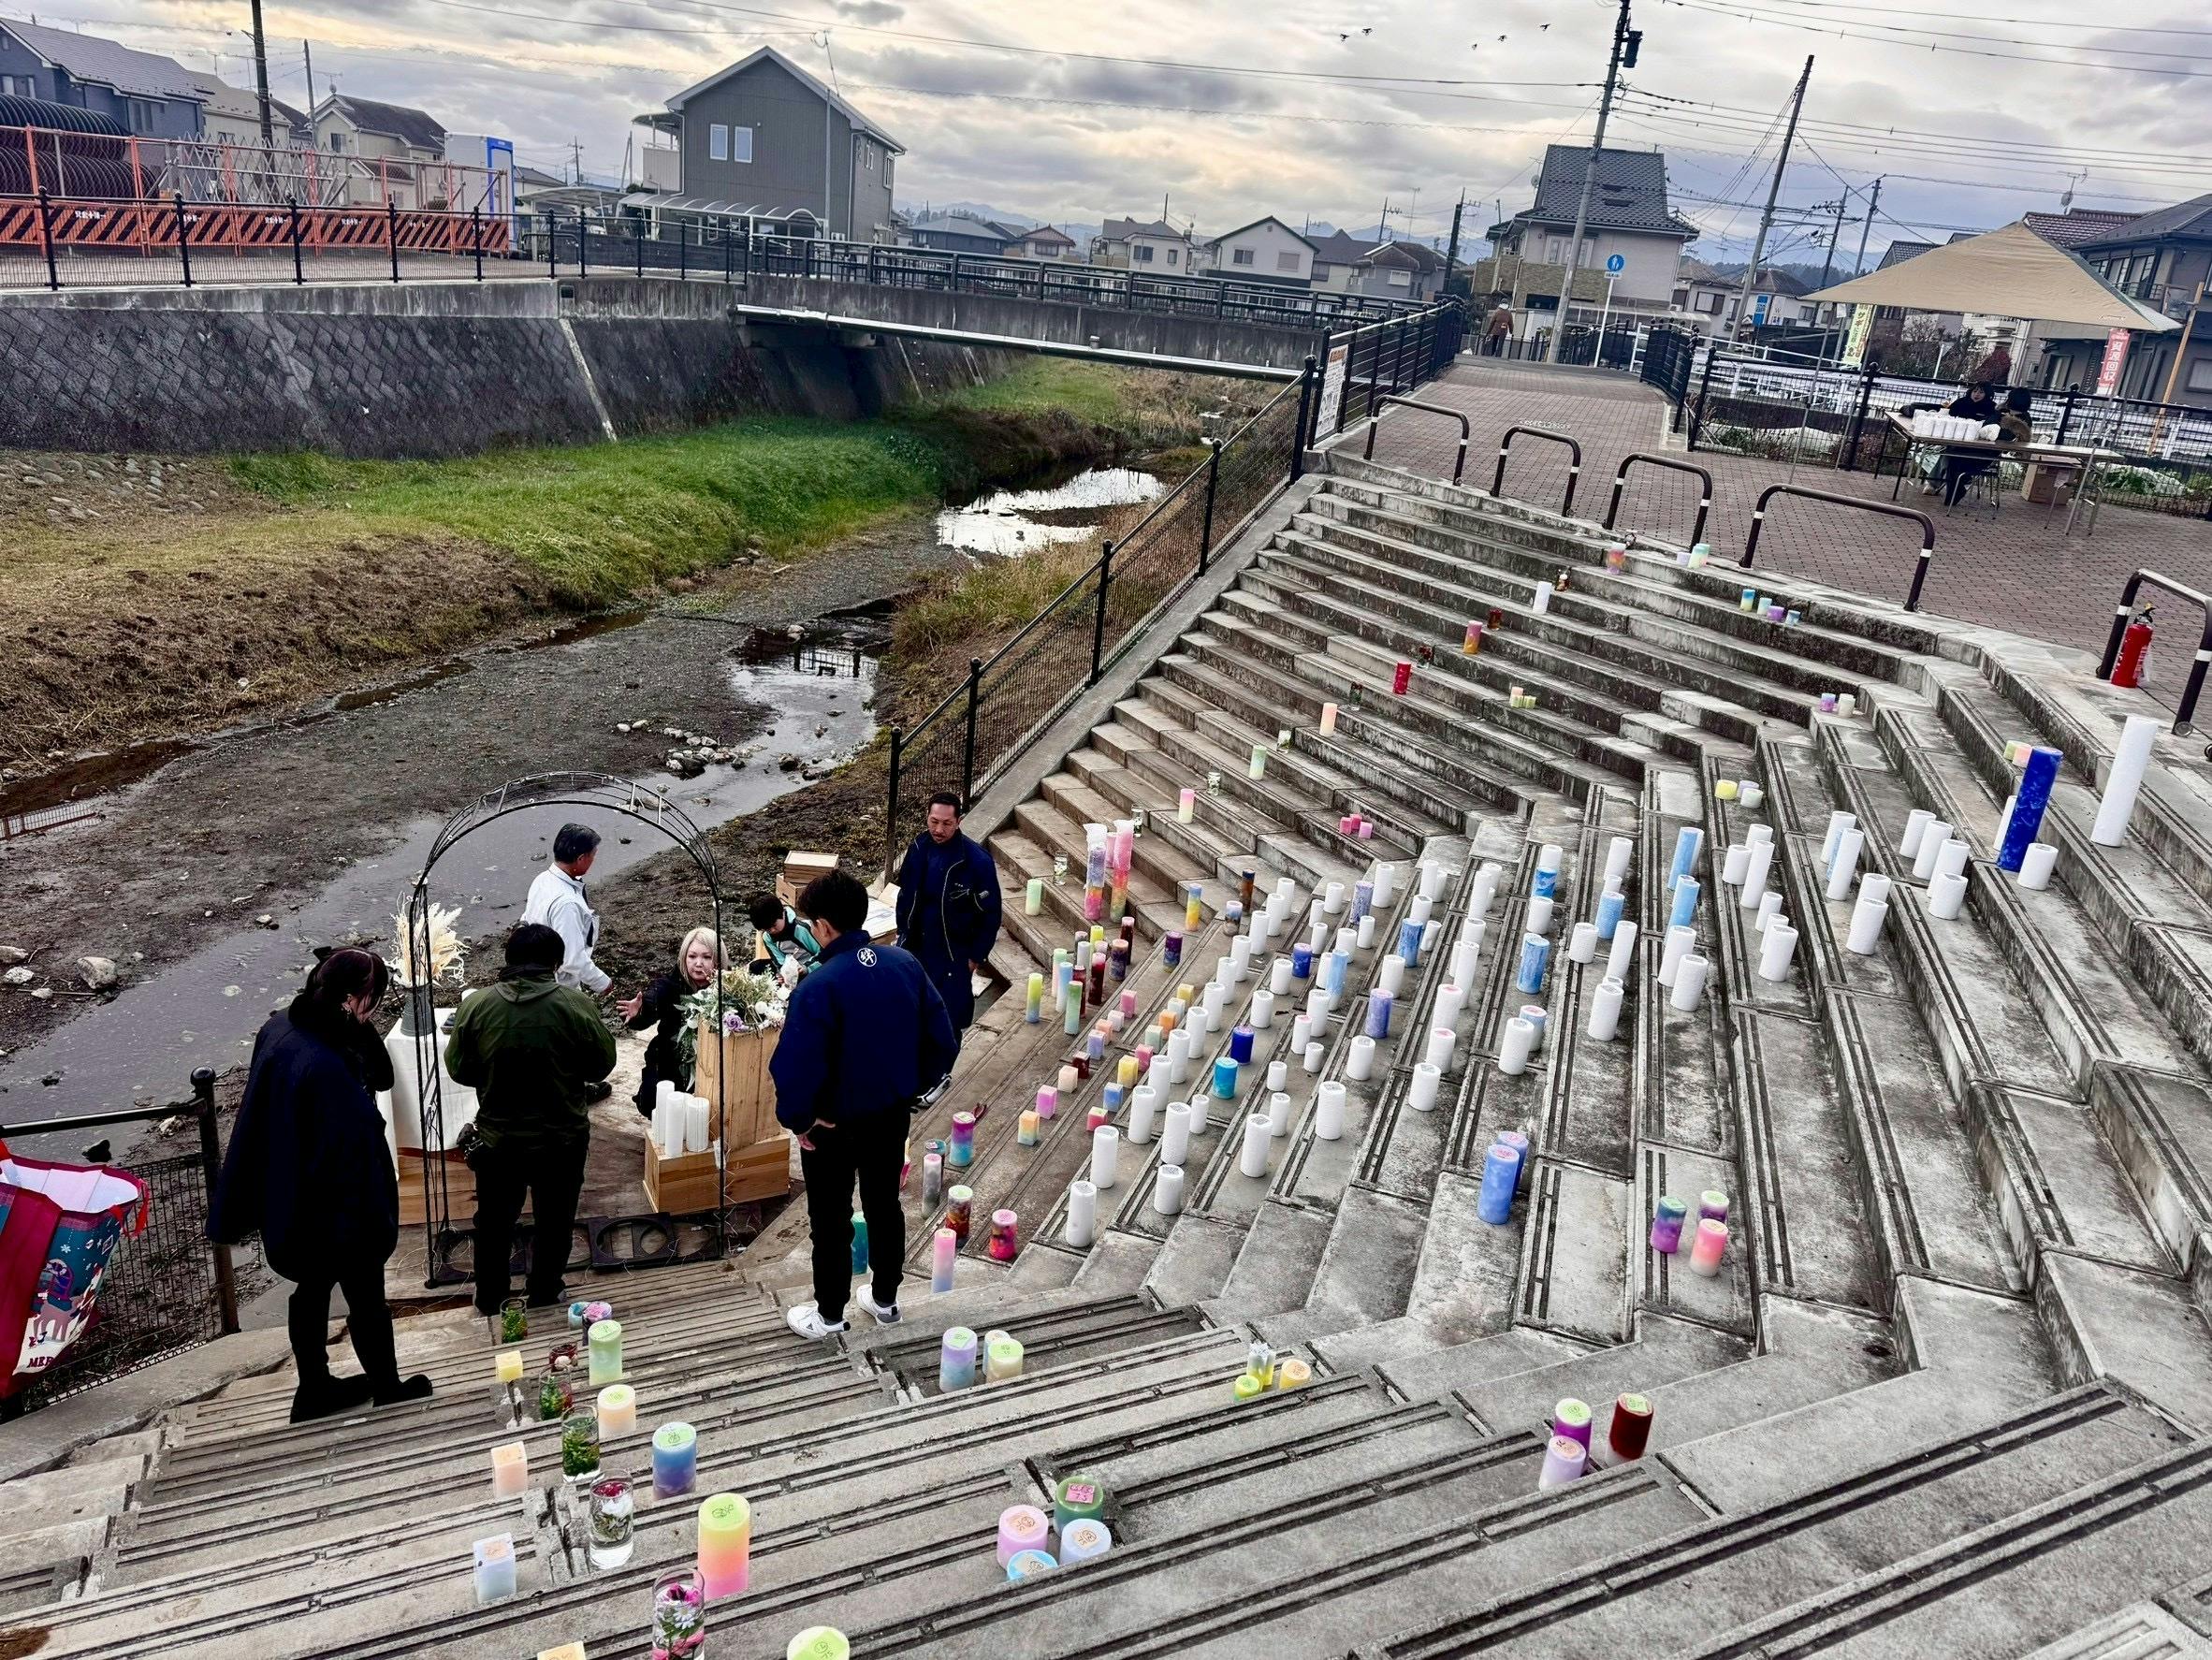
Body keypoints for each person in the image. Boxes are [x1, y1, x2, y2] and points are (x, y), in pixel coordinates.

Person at [211, 948, 433, 1422]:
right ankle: (387, 1388)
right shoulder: (325, 1067)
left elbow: (379, 1076)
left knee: (311, 1290)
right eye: (372, 1001)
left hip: (288, 1193)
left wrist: (355, 1022)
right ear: (351, 999)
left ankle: (314, 1389)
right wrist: (375, 1218)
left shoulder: (282, 1027)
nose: (375, 1010)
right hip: (335, 1208)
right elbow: (353, 1148)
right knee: (366, 1297)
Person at [772, 869, 959, 1339]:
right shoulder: (904, 964)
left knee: (831, 1219)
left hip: (831, 1125)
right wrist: (912, 1086)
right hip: (890, 1114)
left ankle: (830, 1314)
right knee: (884, 1206)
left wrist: (799, 1119)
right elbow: (943, 1037)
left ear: (825, 927)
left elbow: (794, 1066)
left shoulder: (818, 986)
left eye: (812, 923)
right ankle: (885, 1300)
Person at [445, 924, 618, 1313]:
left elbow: (459, 1068)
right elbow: (601, 1065)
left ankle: (490, 1297)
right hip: (561, 1138)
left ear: (508, 960)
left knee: (494, 1221)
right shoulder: (574, 1004)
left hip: (498, 1138)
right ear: (555, 964)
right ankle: (545, 1291)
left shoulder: (477, 1005)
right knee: (555, 1219)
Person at [894, 792, 1002, 1032]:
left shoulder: (977, 861)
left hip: (954, 955)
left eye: (946, 823)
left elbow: (991, 915)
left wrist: (975, 957)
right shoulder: (918, 847)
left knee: (949, 1022)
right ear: (927, 817)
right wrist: (902, 931)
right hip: (915, 947)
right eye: (934, 821)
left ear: (959, 821)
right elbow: (905, 894)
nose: (939, 830)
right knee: (911, 1014)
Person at [616, 926, 722, 1118]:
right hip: (670, 1059)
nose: (698, 963)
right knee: (652, 1103)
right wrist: (639, 1012)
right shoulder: (670, 985)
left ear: (718, 959)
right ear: (683, 957)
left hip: (711, 1061)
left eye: (707, 957)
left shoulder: (727, 985)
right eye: (692, 956)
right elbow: (652, 1001)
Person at [749, 893, 822, 977]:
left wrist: (806, 968)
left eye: (774, 925)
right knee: (756, 967)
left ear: (783, 913)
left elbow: (823, 952)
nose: (772, 930)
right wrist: (783, 974)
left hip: (813, 966)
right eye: (767, 929)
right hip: (793, 970)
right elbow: (780, 961)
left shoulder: (801, 928)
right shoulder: (767, 937)